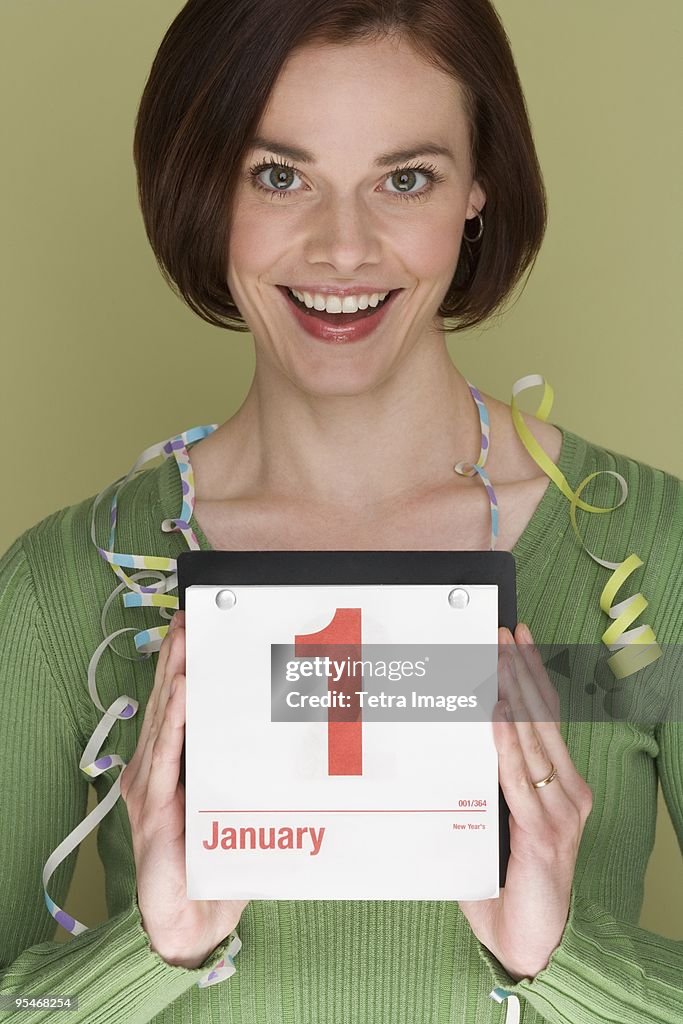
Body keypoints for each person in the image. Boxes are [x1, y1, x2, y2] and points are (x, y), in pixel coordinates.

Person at [0, 1, 681, 1022]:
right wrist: (156, 949)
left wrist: (558, 959)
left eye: (403, 178)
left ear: (476, 191)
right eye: (279, 176)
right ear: (203, 185)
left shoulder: (644, 553)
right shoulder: (66, 584)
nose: (342, 248)